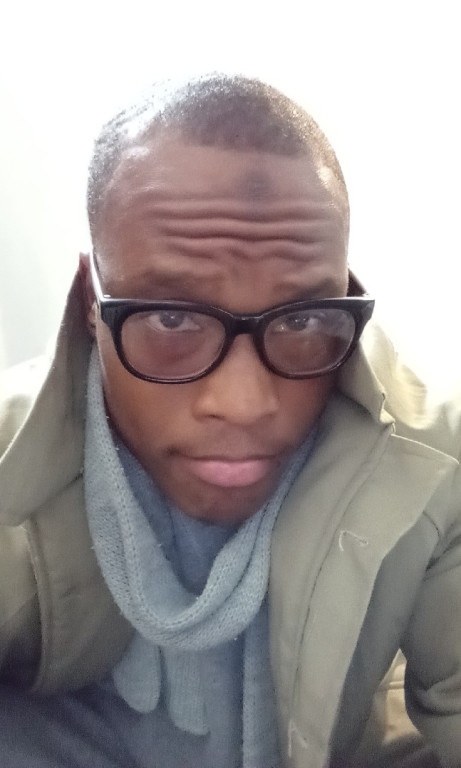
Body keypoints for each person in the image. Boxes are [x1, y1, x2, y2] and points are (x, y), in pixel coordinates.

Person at [0, 74, 460, 768]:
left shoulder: (435, 465)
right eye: (171, 318)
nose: (245, 403)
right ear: (91, 300)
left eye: (302, 319)